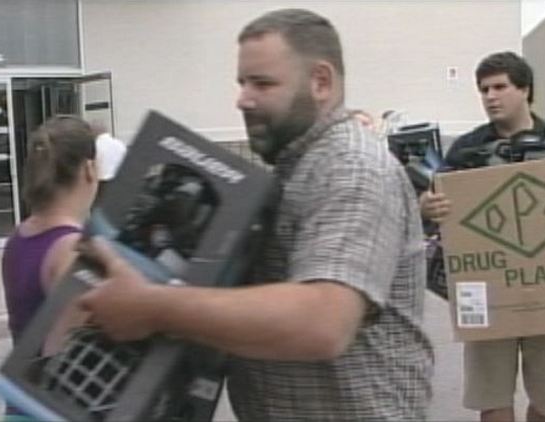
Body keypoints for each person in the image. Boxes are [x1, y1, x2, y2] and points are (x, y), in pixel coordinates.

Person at [76, 8, 433, 421]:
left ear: (321, 82)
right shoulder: (294, 167)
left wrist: (153, 307)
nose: (242, 99)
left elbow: (324, 321)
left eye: (262, 83)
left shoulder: (352, 167)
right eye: (242, 82)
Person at [420, 51, 545, 422]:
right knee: (491, 397)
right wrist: (427, 208)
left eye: (500, 87)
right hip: (488, 289)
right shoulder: (467, 150)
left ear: (524, 89)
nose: (490, 96)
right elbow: (439, 208)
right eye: (484, 89)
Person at [0, 116, 98, 422]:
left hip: (18, 407)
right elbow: (66, 359)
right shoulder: (70, 251)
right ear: (89, 170)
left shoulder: (18, 237)